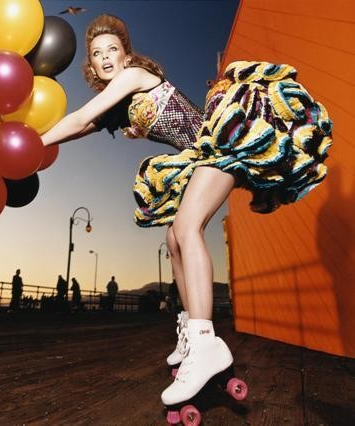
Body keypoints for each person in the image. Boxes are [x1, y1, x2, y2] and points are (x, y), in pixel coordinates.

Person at [40, 15, 332, 408]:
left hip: (219, 146)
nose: (106, 57)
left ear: (127, 56)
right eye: (97, 54)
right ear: (91, 66)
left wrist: (34, 143)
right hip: (199, 159)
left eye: (113, 50)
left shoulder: (134, 77)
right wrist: (40, 144)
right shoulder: (117, 107)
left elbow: (78, 117)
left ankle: (204, 340)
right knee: (174, 238)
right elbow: (79, 128)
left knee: (187, 227)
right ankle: (190, 329)